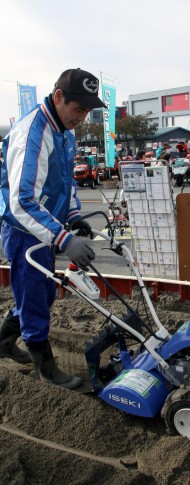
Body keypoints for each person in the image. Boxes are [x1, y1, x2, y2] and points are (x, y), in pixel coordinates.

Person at [0, 68, 106, 389]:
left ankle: (4, 340)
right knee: (34, 296)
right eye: (78, 109)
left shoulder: (65, 132)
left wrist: (73, 216)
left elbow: (65, 180)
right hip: (23, 230)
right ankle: (46, 368)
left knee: (44, 293)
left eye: (88, 111)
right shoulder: (33, 132)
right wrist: (63, 238)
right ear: (58, 97)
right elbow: (23, 201)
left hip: (45, 229)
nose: (82, 117)